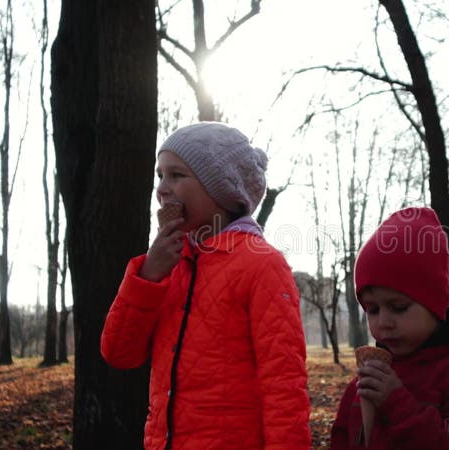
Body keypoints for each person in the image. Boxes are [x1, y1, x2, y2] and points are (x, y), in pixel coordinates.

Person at [101, 122, 310, 450]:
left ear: (221, 190)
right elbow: (118, 353)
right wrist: (148, 278)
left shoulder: (262, 264)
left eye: (177, 175)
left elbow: (284, 387)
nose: (162, 188)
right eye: (160, 175)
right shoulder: (166, 264)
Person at [330, 207, 449, 449]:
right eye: (372, 309)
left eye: (398, 307)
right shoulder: (361, 386)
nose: (383, 322)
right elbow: (342, 437)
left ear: (434, 305)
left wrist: (399, 405)